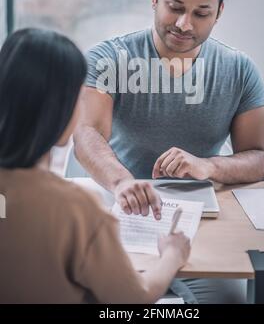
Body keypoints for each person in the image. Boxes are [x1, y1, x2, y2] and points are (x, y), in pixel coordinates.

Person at [71, 0, 264, 303]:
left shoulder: (239, 69)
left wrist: (208, 165)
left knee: (227, 301)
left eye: (201, 13)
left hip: (201, 225)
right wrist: (123, 183)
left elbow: (262, 159)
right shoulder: (108, 59)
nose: (184, 24)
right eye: (175, 7)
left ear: (219, 13)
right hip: (124, 216)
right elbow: (87, 133)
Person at [0, 28, 190, 304]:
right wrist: (173, 254)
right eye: (80, 98)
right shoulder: (76, 209)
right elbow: (134, 298)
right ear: (61, 110)